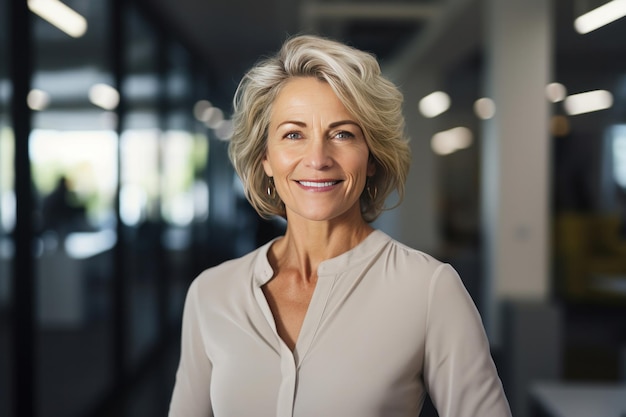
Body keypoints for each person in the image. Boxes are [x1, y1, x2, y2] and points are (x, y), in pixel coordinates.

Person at [169, 34, 511, 417]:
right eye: (294, 134)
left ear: (372, 157)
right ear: (266, 157)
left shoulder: (429, 290)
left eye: (342, 134)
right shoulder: (211, 294)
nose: (318, 158)